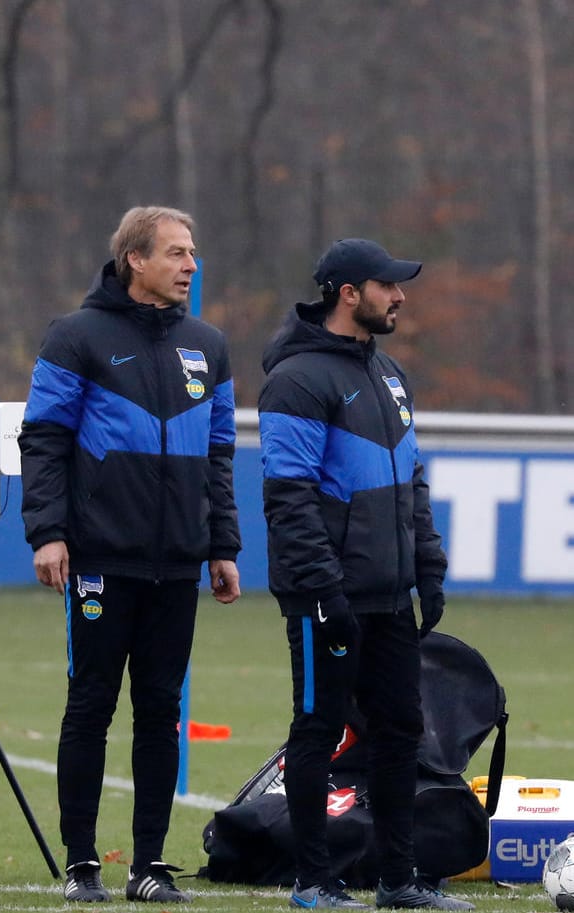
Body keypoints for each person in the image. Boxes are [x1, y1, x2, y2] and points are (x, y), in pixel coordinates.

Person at [18, 206, 241, 904]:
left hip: (176, 562)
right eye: (176, 252)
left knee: (160, 711)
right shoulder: (75, 336)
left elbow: (219, 453)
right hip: (100, 559)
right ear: (134, 260)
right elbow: (44, 441)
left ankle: (148, 864)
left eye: (193, 252)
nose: (190, 265)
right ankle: (81, 864)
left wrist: (222, 544)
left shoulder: (209, 345)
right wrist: (47, 531)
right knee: (90, 706)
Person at [258, 238, 470, 911]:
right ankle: (313, 882)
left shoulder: (390, 374)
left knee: (401, 728)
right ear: (349, 293)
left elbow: (412, 481)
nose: (400, 296)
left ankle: (397, 879)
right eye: (388, 286)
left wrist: (427, 569)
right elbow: (288, 499)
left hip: (390, 594)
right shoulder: (295, 379)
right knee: (319, 728)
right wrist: (323, 589)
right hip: (328, 597)